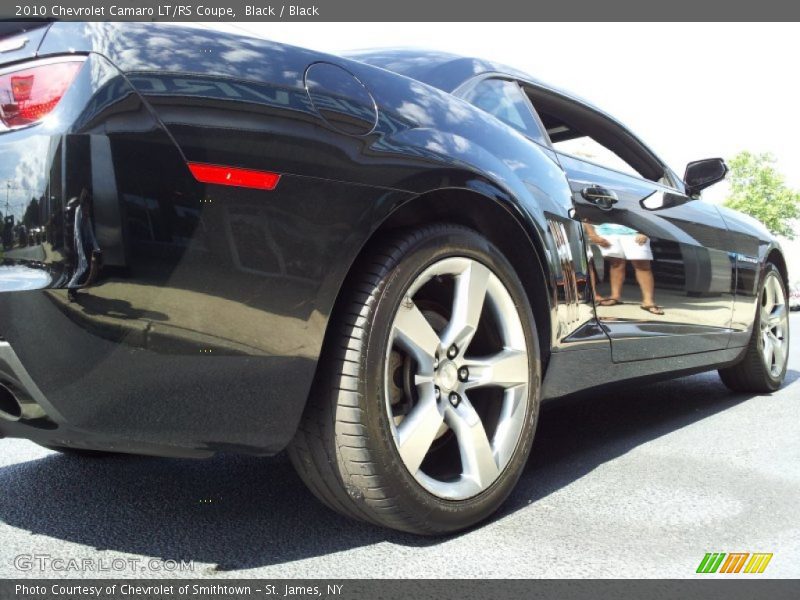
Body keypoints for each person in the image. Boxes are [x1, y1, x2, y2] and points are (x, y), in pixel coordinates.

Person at [584, 221, 664, 315]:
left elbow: (648, 210)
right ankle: (615, 296)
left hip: (635, 231)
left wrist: (645, 231)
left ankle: (648, 301)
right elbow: (584, 213)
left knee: (642, 265)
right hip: (605, 231)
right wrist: (592, 234)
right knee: (615, 264)